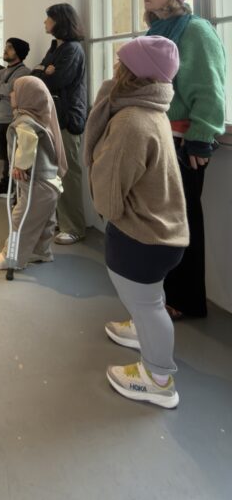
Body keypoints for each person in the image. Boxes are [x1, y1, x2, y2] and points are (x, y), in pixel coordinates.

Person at [85, 36, 188, 409]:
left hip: (142, 237)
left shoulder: (130, 120)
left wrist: (105, 213)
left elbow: (111, 189)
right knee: (151, 299)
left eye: (121, 61)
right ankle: (140, 328)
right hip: (164, 234)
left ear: (132, 72)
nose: (115, 65)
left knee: (149, 306)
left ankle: (158, 379)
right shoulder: (152, 110)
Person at [143, 0, 226, 319]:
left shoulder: (196, 30)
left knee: (183, 219)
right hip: (157, 134)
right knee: (159, 220)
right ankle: (162, 291)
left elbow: (210, 87)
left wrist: (201, 138)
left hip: (182, 141)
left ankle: (186, 299)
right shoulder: (156, 29)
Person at [0, 75, 67, 271]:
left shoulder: (24, 120)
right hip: (50, 182)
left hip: (36, 184)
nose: (12, 94)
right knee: (45, 222)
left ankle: (11, 258)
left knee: (21, 221)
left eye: (15, 91)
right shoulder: (41, 118)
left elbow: (28, 141)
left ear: (27, 96)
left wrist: (20, 165)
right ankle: (41, 251)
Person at [32, 3, 87, 244]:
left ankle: (74, 227)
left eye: (49, 19)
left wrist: (46, 72)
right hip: (52, 117)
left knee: (68, 174)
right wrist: (46, 71)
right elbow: (36, 77)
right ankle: (60, 221)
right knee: (52, 172)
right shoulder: (56, 47)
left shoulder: (72, 49)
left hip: (67, 119)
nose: (45, 23)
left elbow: (55, 82)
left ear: (60, 22)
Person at [0, 38, 31, 198]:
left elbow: (9, 90)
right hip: (0, 119)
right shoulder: (2, 71)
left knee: (13, 158)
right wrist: (1, 88)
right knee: (5, 156)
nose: (5, 50)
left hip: (13, 121)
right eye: (6, 47)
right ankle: (6, 186)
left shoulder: (24, 72)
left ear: (18, 52)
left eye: (10, 48)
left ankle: (13, 190)